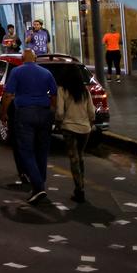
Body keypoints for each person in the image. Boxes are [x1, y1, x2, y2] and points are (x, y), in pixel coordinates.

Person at [0, 49, 58, 205]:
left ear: (23, 59)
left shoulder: (17, 72)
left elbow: (8, 95)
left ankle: (38, 186)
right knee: (42, 150)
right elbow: (54, 95)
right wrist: (52, 112)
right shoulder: (46, 73)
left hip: (25, 113)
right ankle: (39, 184)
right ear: (35, 58)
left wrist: (3, 113)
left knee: (26, 151)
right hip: (44, 113)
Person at [54, 63, 96, 204]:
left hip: (69, 128)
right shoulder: (84, 90)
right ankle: (81, 186)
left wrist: (58, 122)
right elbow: (91, 111)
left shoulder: (62, 89)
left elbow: (59, 111)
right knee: (80, 156)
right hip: (85, 129)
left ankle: (79, 189)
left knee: (74, 159)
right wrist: (90, 122)